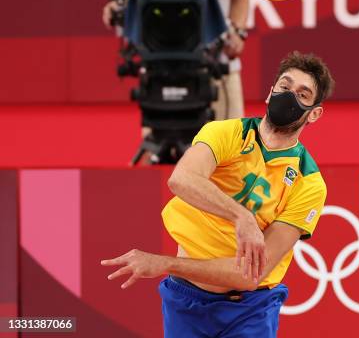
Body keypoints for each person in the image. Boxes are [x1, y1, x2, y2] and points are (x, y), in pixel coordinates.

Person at [101, 51, 335, 337]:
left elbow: (251, 275)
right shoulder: (226, 133)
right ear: (271, 91)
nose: (289, 96)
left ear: (315, 113)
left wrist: (164, 263)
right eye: (285, 87)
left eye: (302, 94)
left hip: (251, 308)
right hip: (185, 300)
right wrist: (242, 217)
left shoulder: (309, 183)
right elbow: (181, 179)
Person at [102, 0, 250, 119]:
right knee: (156, 147)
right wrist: (117, 7)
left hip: (216, 67)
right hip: (158, 71)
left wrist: (237, 32)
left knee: (229, 147)